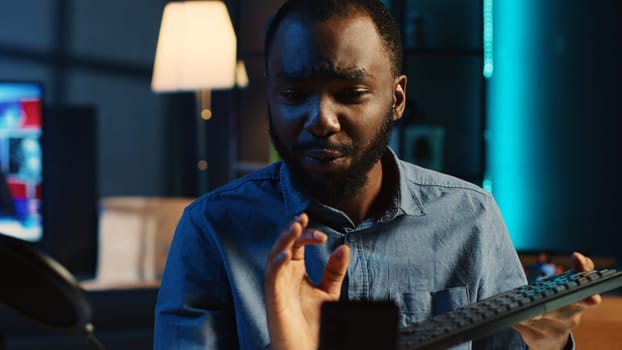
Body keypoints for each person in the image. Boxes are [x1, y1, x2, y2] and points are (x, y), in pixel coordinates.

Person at [154, 1, 601, 349]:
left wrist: (548, 343)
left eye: (350, 93)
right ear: (270, 95)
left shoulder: (470, 218)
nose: (321, 119)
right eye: (293, 93)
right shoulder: (211, 229)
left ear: (397, 98)